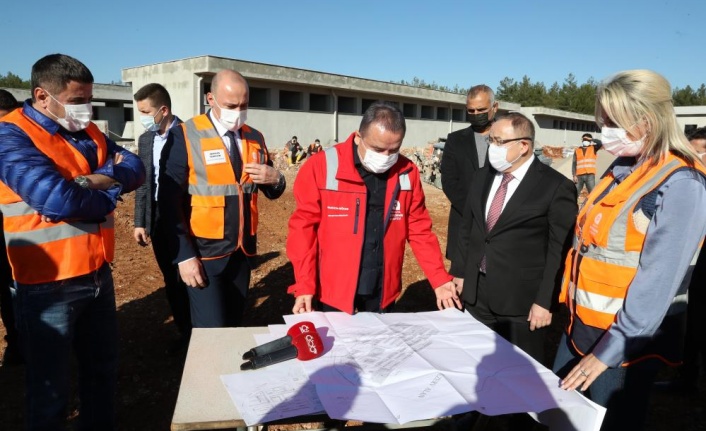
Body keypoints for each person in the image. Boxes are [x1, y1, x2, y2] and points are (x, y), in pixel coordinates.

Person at [553, 70, 706, 431]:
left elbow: (658, 281)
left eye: (612, 121)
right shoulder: (623, 168)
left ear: (648, 121)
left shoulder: (681, 184)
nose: (604, 129)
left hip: (620, 349)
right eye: (602, 120)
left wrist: (607, 354)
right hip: (582, 329)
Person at [0, 54, 145, 430]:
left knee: (101, 373)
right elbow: (57, 199)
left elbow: (135, 166)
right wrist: (109, 186)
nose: (86, 109)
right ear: (42, 96)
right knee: (50, 393)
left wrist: (93, 183)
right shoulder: (10, 135)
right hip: (48, 285)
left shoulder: (86, 130)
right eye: (78, 100)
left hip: (98, 272)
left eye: (89, 100)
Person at [287, 101, 461, 314]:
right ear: (358, 137)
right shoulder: (321, 166)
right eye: (378, 149)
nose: (386, 158)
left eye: (394, 150)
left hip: (382, 288)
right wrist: (305, 285)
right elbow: (303, 229)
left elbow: (419, 230)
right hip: (334, 289)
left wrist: (439, 278)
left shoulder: (407, 172)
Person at [160, 69, 286, 328]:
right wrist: (184, 256)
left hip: (242, 252)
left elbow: (269, 190)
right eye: (231, 105)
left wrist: (276, 178)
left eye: (244, 105)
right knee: (210, 330)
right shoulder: (185, 135)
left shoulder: (255, 137)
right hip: (204, 254)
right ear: (211, 99)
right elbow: (169, 202)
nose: (238, 111)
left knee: (232, 324)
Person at [450, 112, 577, 364]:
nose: (492, 148)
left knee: (520, 371)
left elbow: (557, 252)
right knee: (475, 364)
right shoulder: (481, 176)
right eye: (491, 141)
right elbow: (469, 228)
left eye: (499, 142)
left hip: (521, 300)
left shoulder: (555, 187)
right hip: (477, 292)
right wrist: (461, 272)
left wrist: (544, 301)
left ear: (524, 146)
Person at [132, 83, 191, 343]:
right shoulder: (146, 140)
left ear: (163, 110)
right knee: (171, 279)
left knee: (191, 276)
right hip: (157, 220)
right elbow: (143, 184)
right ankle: (185, 331)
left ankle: (201, 332)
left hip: (186, 218)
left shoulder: (190, 135)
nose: (143, 119)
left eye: (146, 112)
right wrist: (139, 222)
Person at [440, 85, 498, 268]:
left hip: (498, 223)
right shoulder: (455, 140)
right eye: (471, 110)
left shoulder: (507, 138)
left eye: (481, 110)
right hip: (464, 221)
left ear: (494, 107)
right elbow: (449, 181)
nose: (475, 114)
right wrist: (473, 209)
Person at [0, 89, 21, 366]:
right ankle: (16, 342)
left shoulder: (28, 146)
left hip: (22, 234)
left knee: (19, 290)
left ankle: (23, 342)